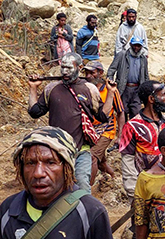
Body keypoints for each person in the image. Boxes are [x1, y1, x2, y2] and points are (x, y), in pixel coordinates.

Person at [28, 52, 112, 193]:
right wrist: (33, 88)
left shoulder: (90, 89)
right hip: (57, 152)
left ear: (79, 68)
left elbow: (103, 116)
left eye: (69, 68)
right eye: (63, 68)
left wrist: (111, 92)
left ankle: (84, 214)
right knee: (57, 189)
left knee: (83, 188)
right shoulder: (51, 89)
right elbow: (34, 112)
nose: (65, 72)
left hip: (81, 151)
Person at [118, 80, 165, 204]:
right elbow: (127, 160)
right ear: (151, 99)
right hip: (145, 189)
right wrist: (133, 192)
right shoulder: (132, 126)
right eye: (164, 94)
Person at [83, 61, 124, 185]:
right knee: (101, 162)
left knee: (92, 157)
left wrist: (120, 135)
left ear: (100, 73)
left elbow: (120, 112)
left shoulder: (110, 90)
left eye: (92, 73)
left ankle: (87, 190)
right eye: (86, 73)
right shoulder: (85, 88)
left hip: (106, 129)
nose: (88, 76)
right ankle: (112, 177)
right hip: (89, 130)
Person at [107, 37, 149, 121]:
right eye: (134, 45)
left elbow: (146, 75)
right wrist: (110, 79)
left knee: (136, 112)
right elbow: (112, 69)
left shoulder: (143, 58)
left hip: (137, 89)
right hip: (124, 88)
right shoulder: (122, 55)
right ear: (130, 45)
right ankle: (123, 132)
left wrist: (147, 89)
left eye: (138, 46)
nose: (136, 48)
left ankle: (133, 131)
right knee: (122, 112)